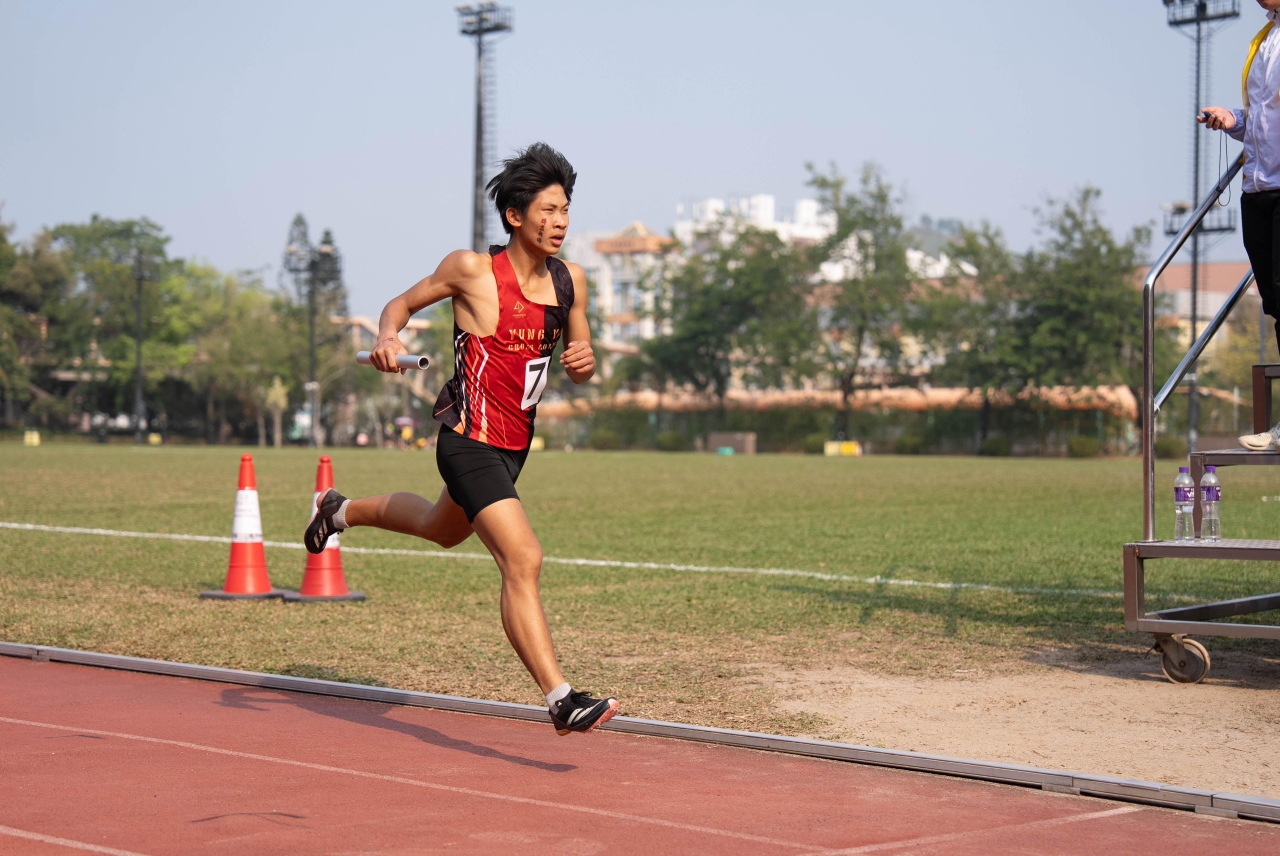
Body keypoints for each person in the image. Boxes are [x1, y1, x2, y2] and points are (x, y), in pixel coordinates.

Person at [304, 143, 619, 735]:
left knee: (440, 528)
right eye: (548, 210)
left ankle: (338, 510)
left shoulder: (570, 281)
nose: (560, 222)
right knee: (522, 558)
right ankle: (561, 699)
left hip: (514, 447)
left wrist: (585, 362)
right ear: (515, 216)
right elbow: (398, 305)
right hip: (467, 438)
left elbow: (581, 363)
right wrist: (388, 338)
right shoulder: (471, 270)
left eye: (565, 210)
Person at [1201, 0, 1280, 449]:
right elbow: (1265, 118)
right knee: (1277, 304)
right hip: (1258, 188)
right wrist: (1234, 119)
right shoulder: (1264, 40)